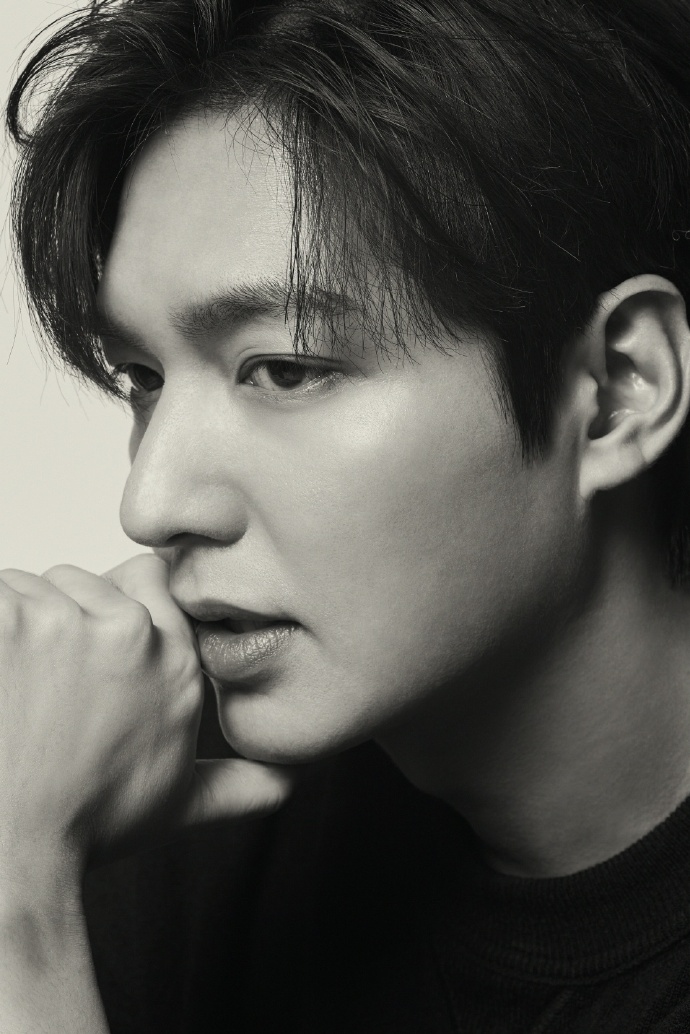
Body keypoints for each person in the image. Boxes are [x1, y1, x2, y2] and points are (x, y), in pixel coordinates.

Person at [3, 0, 690, 1029]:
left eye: (285, 369)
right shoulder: (146, 823)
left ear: (618, 391)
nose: (151, 502)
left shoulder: (33, 884)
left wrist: (16, 911)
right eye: (142, 376)